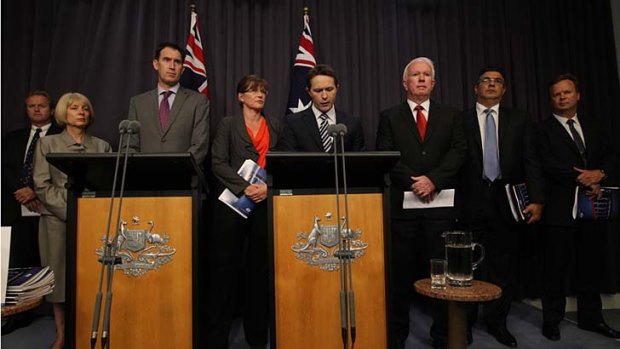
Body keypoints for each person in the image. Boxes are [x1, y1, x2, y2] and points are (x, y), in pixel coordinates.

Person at [376, 57, 466, 349]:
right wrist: (415, 181)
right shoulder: (389, 116)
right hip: (403, 209)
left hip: (440, 210)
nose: (422, 78)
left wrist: (433, 180)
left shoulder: (451, 115)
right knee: (399, 277)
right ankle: (397, 336)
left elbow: (458, 152)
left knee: (440, 276)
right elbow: (385, 154)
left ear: (434, 83)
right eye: (416, 75)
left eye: (427, 75)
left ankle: (442, 335)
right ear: (405, 83)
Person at [456, 67, 545, 347]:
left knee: (503, 266)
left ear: (504, 90)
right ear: (475, 87)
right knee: (466, 266)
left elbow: (532, 161)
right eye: (486, 81)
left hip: (508, 202)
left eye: (498, 82)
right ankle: (465, 323)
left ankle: (497, 323)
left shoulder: (520, 119)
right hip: (470, 200)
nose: (492, 85)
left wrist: (538, 199)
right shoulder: (460, 119)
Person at [537, 74, 619, 341]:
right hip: (559, 209)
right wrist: (582, 177)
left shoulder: (594, 126)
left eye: (567, 92)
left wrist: (600, 174)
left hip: (593, 208)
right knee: (555, 269)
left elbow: (611, 155)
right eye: (557, 94)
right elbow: (545, 163)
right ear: (551, 99)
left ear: (577, 95)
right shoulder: (543, 129)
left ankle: (591, 318)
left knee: (590, 267)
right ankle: (551, 320)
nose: (562, 97)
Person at [206, 75, 282, 349]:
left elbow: (283, 162)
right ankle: (217, 339)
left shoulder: (275, 125)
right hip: (231, 206)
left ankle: (257, 337)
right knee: (224, 271)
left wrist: (268, 187)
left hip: (264, 206)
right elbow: (217, 162)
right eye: (253, 91)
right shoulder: (228, 124)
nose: (259, 95)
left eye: (263, 90)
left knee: (259, 273)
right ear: (240, 97)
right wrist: (244, 187)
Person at [33, 92, 112, 349]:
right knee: (58, 278)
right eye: (75, 108)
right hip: (57, 220)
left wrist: (89, 214)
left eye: (86, 108)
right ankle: (62, 333)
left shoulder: (101, 146)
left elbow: (107, 186)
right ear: (63, 113)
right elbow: (42, 186)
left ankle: (89, 328)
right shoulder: (48, 144)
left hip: (94, 221)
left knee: (92, 276)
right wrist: (73, 211)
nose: (82, 112)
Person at [2, 91, 63, 268]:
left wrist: (34, 191)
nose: (36, 109)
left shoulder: (60, 137)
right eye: (31, 106)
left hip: (46, 208)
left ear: (51, 110)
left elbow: (60, 172)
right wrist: (20, 190)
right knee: (16, 262)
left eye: (41, 106)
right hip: (14, 209)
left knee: (45, 262)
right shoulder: (12, 137)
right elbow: (4, 168)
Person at [126, 42, 209, 165]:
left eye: (177, 62)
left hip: (182, 178)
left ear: (182, 69)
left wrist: (175, 170)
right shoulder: (138, 103)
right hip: (145, 179)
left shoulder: (198, 101)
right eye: (166, 60)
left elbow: (200, 145)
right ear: (156, 64)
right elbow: (130, 146)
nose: (172, 66)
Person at [281, 64, 365, 152]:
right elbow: (289, 162)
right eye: (318, 91)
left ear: (337, 88)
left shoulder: (352, 124)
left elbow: (360, 162)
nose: (324, 96)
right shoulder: (293, 123)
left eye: (329, 89)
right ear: (308, 91)